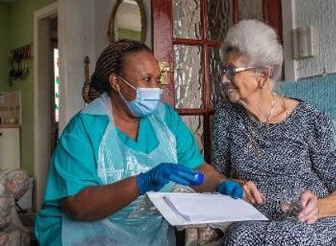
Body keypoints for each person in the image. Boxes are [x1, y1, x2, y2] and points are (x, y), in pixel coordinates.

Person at [34, 39, 243, 246]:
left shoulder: (166, 119)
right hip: (83, 235)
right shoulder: (83, 129)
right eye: (147, 79)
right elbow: (77, 206)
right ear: (116, 83)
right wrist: (141, 182)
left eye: (158, 79)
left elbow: (195, 168)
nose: (156, 88)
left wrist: (220, 183)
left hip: (147, 235)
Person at [212, 20, 336, 245]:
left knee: (293, 235)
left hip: (312, 222)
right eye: (223, 70)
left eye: (232, 71)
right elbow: (217, 180)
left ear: (263, 76)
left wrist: (318, 207)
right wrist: (234, 184)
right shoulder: (226, 116)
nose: (223, 79)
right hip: (257, 223)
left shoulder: (309, 118)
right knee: (239, 236)